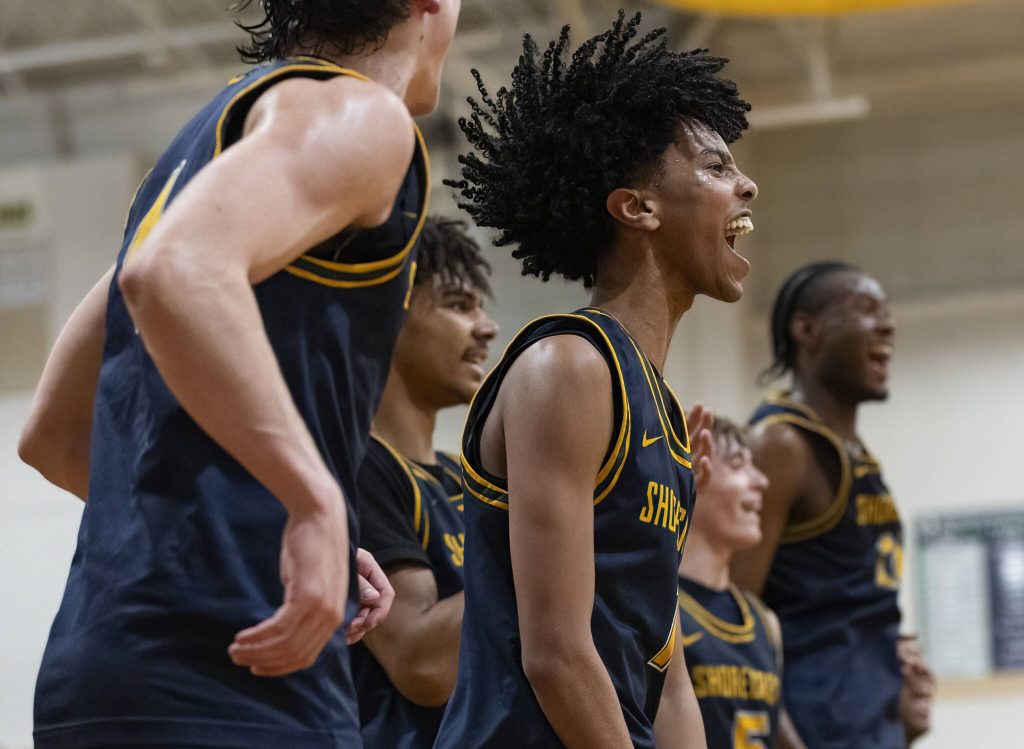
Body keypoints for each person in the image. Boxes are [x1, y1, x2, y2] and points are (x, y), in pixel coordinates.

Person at [17, 2, 460, 747]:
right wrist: (313, 499)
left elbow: (54, 435)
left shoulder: (198, 161)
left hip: (95, 673)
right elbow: (176, 272)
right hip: (236, 673)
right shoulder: (364, 114)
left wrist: (263, 519)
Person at [434, 12, 758, 748]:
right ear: (637, 206)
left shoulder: (662, 411)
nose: (747, 184)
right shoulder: (569, 366)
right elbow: (555, 654)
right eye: (715, 167)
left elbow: (666, 672)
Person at [732, 261, 910, 748]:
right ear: (806, 330)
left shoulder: (855, 455)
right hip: (812, 726)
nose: (888, 324)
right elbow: (729, 618)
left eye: (887, 312)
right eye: (867, 310)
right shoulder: (781, 445)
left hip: (872, 724)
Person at [349, 217, 497, 747]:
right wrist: (555, 537)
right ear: (389, 315)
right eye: (460, 305)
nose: (487, 328)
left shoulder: (463, 473)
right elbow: (422, 665)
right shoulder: (359, 466)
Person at [678, 417, 806, 749]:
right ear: (694, 473)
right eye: (738, 465)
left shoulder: (766, 623)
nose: (762, 481)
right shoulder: (661, 608)